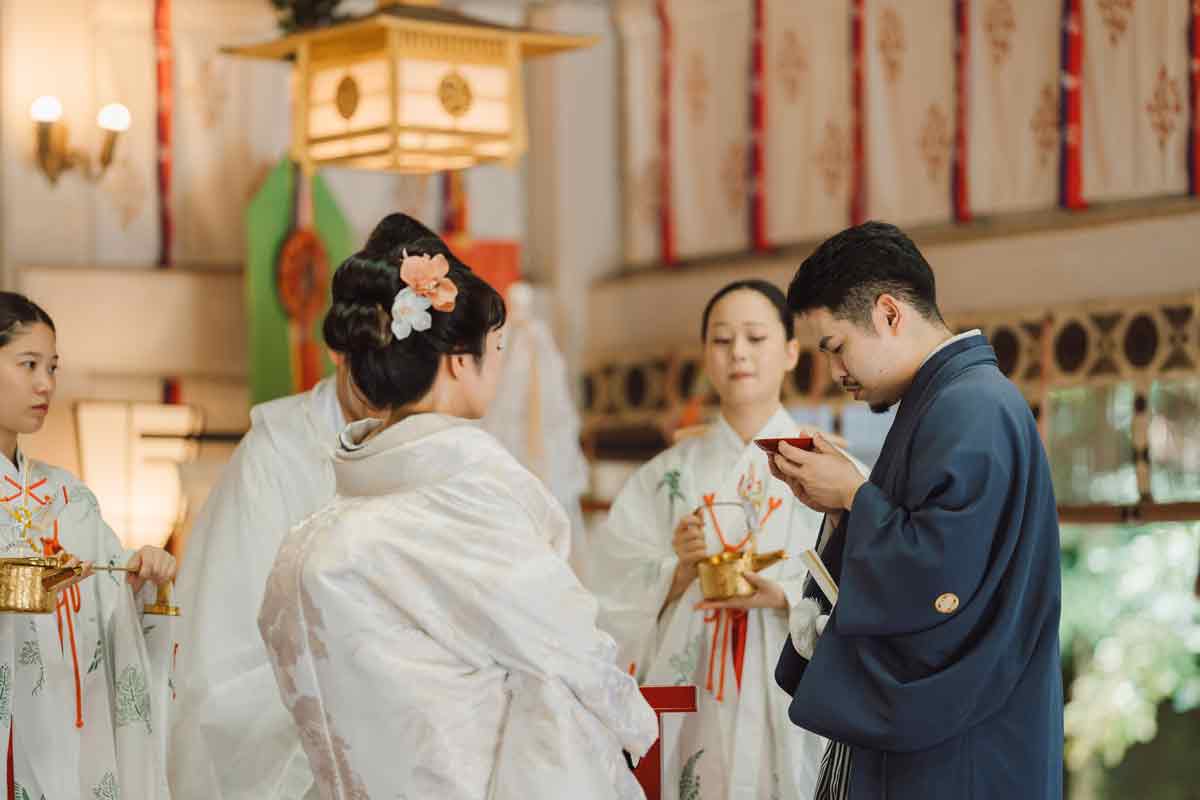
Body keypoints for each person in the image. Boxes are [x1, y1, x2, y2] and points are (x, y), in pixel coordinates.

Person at [258, 243, 657, 799]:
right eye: (495, 349)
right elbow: (566, 646)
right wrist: (635, 720)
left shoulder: (311, 537)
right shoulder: (472, 493)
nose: (498, 366)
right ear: (457, 362)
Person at [771, 221, 1063, 799]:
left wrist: (855, 497)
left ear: (887, 313)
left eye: (836, 348)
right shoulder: (948, 401)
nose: (836, 374)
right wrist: (843, 506)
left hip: (965, 752)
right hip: (956, 739)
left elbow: (941, 580)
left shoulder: (970, 407)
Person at [169, 213, 442, 800]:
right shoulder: (276, 452)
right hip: (309, 739)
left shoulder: (437, 446)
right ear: (343, 350)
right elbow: (223, 657)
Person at [588, 280, 849, 799]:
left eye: (756, 337)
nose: (739, 354)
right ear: (705, 355)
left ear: (792, 352)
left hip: (786, 680)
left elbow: (868, 583)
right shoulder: (666, 477)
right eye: (722, 340)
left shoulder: (833, 473)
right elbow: (608, 589)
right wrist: (677, 570)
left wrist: (783, 591)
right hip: (694, 687)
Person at [0, 291, 176, 799]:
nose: (45, 384)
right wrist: (24, 585)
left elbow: (111, 592)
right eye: (28, 364)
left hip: (73, 734)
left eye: (52, 367)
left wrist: (138, 579)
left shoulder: (70, 497)